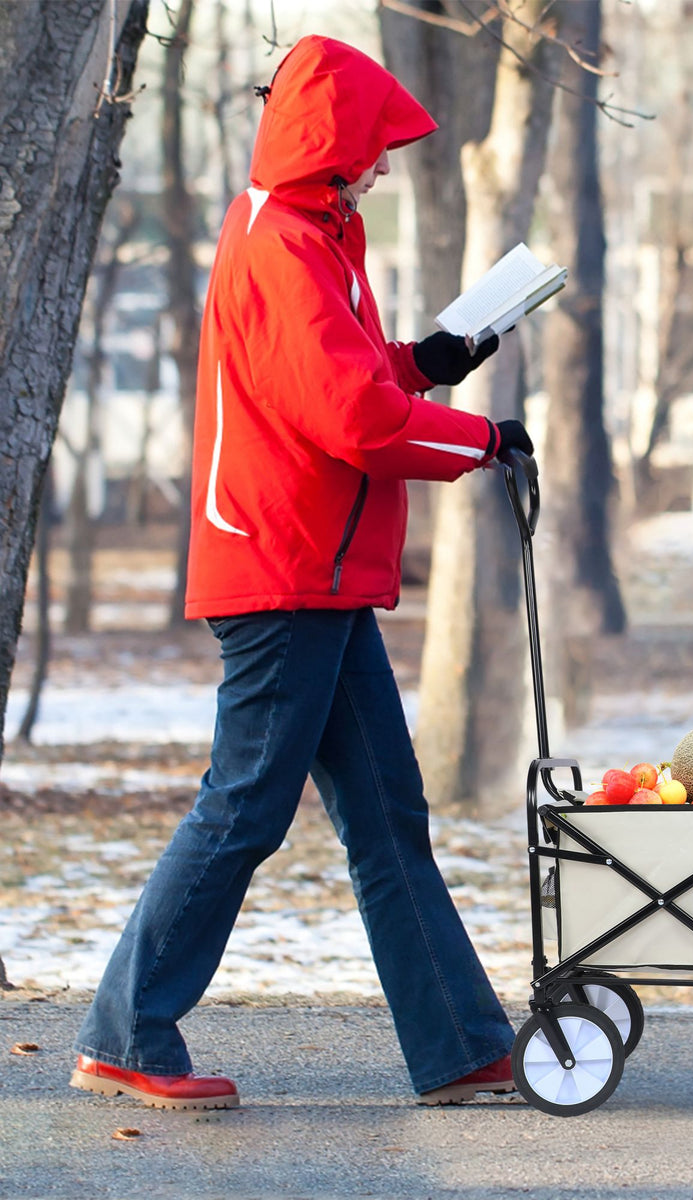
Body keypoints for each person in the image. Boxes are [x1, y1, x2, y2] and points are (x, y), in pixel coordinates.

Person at [71, 34, 533, 1110]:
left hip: (314, 577)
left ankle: (460, 1044)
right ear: (332, 147)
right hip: (283, 574)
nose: (380, 168)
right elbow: (354, 421)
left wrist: (436, 358)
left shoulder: (307, 238)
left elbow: (358, 378)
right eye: (372, 151)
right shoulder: (282, 243)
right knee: (243, 809)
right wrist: (479, 440)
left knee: (384, 817)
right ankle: (126, 1031)